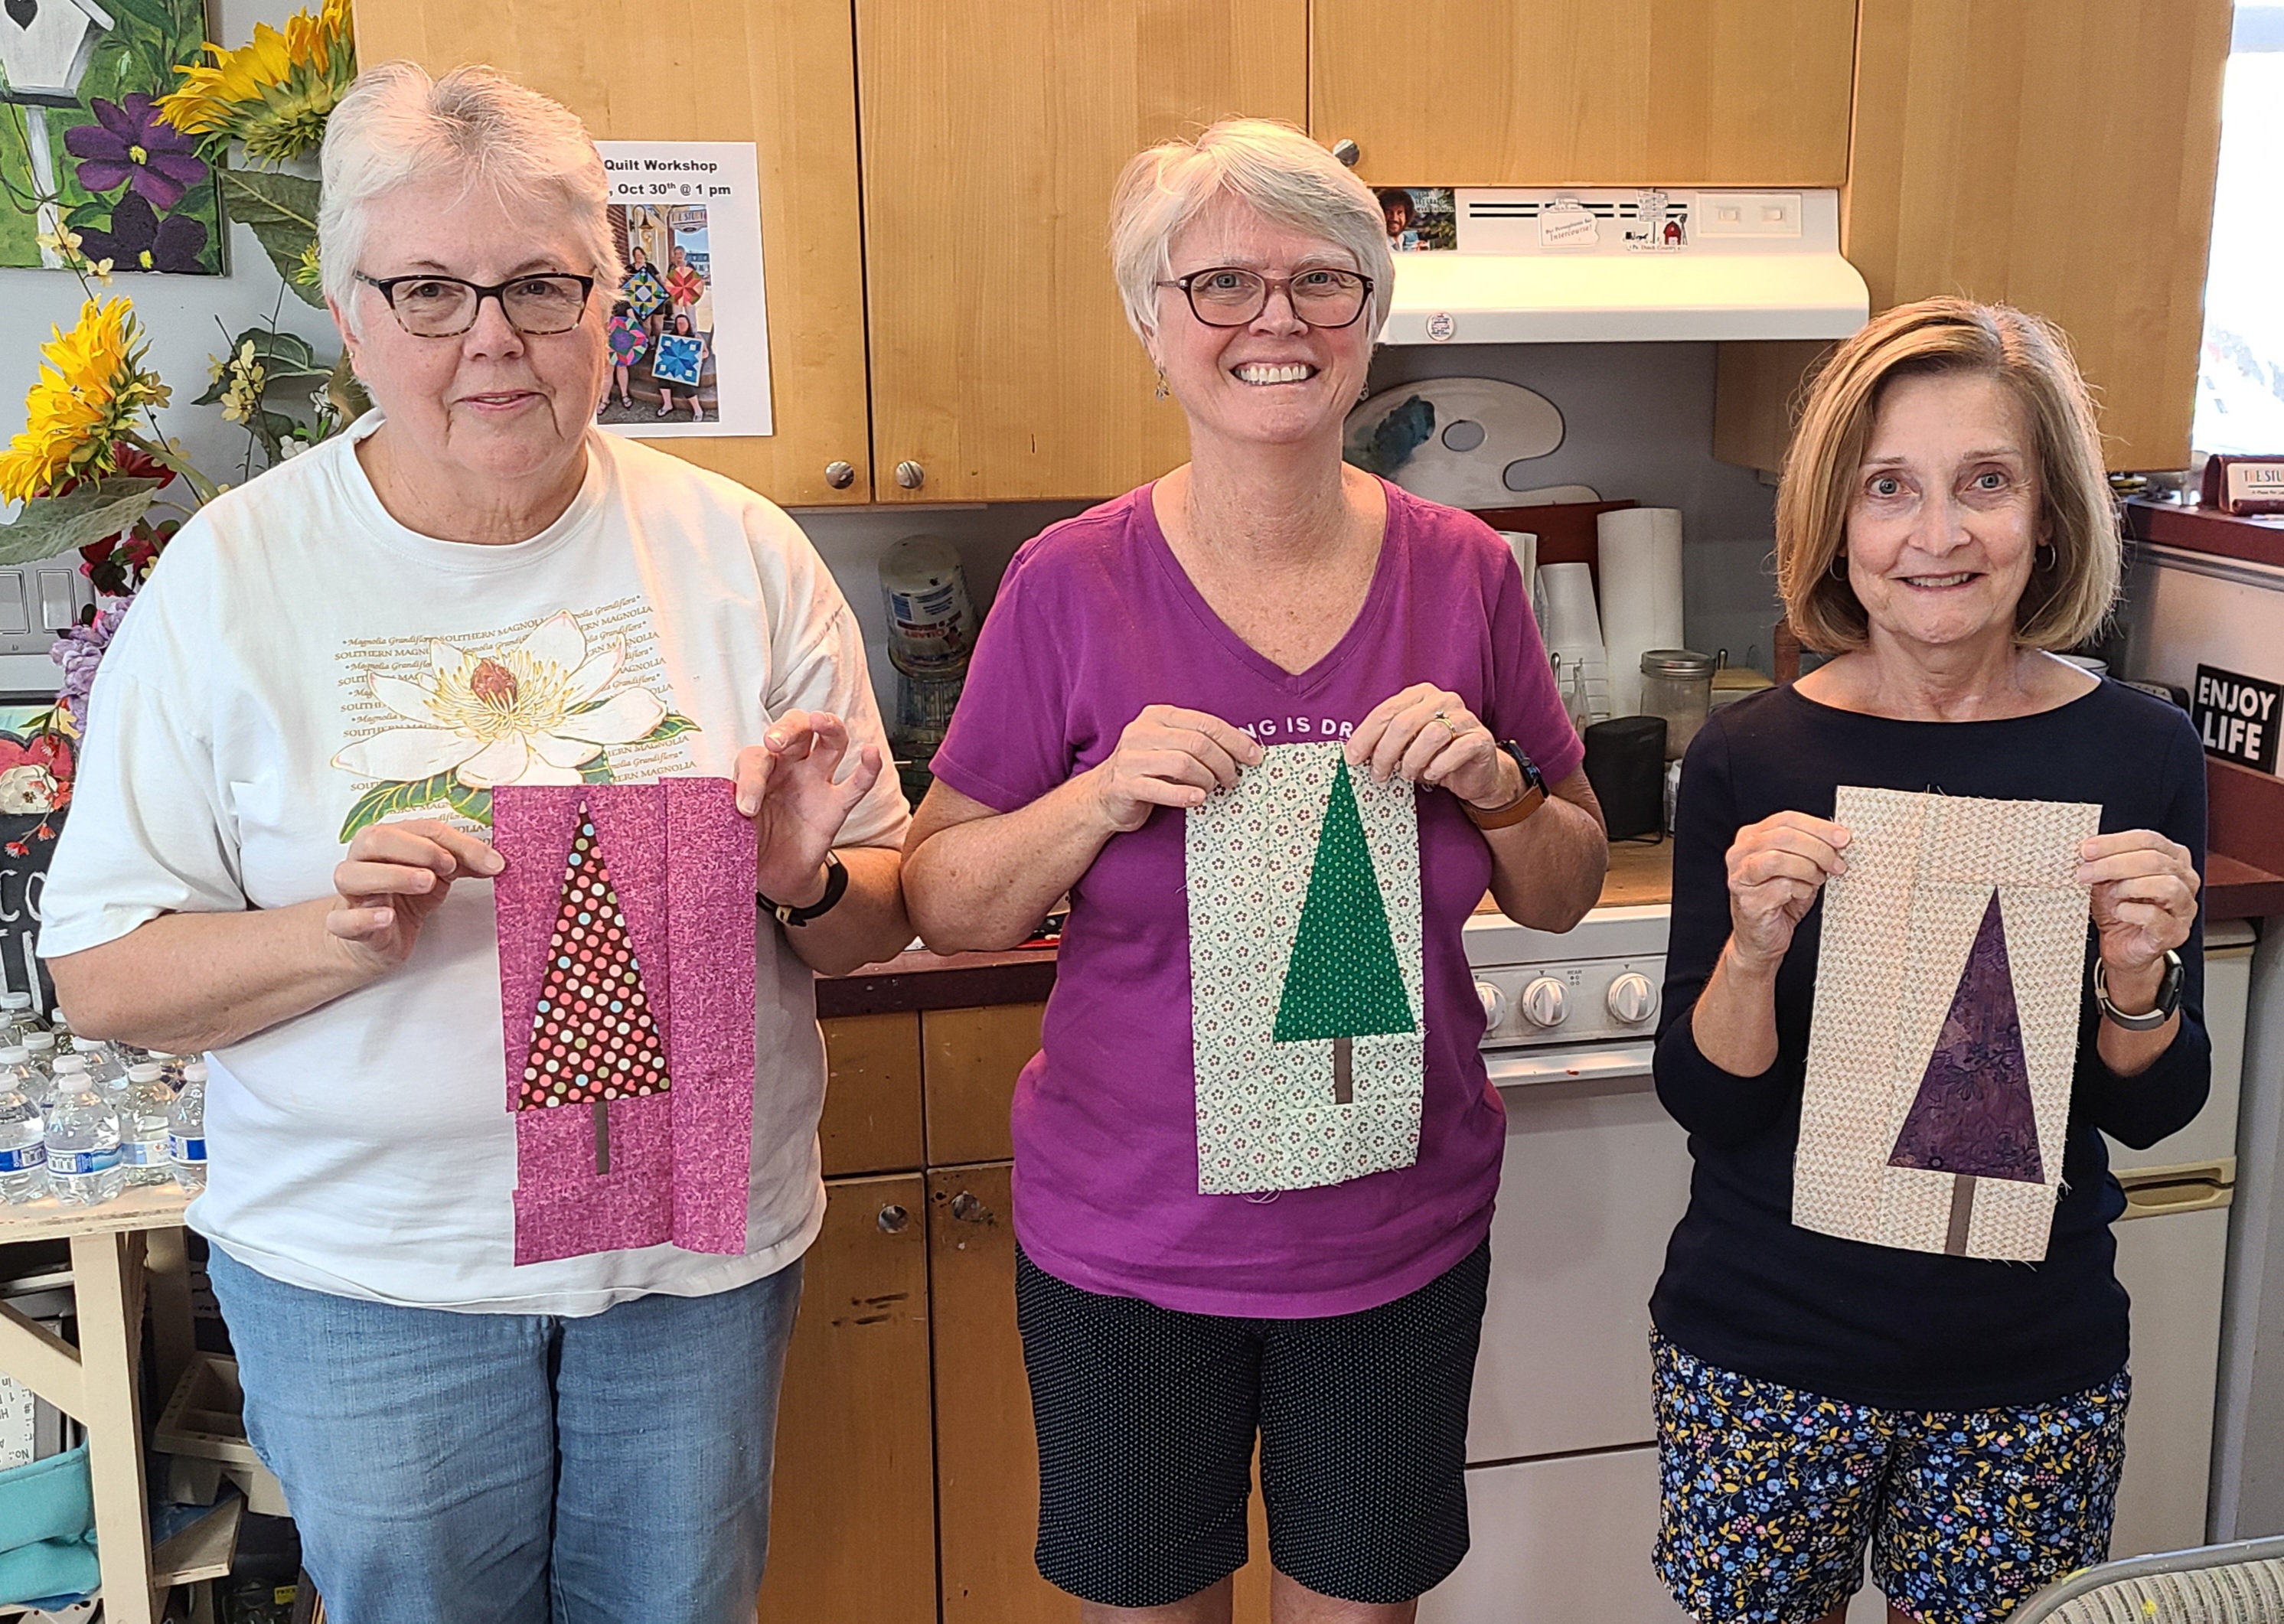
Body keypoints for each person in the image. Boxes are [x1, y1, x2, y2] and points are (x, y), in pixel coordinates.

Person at [38, 62, 912, 1624]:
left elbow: (876, 917)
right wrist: (331, 934)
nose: (491, 335)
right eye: (430, 290)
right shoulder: (231, 578)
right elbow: (104, 975)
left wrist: (803, 879)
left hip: (690, 1264)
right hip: (373, 1280)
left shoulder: (740, 555)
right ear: (349, 312)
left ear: (608, 301)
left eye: (538, 284)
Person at [901, 119, 1607, 1624]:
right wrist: (1093, 798)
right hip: (1129, 1245)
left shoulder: (1464, 573)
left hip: (1394, 1236)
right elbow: (943, 897)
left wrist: (1498, 783)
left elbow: (1561, 888)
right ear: (1150, 326)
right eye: (1219, 281)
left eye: (1320, 280)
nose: (1273, 319)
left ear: (1369, 317)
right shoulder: (1067, 583)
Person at [1649, 298, 2208, 1624]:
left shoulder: (2137, 750)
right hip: (1767, 1346)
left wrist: (2137, 978)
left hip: (2027, 1359)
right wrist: (1750, 950)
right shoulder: (1747, 757)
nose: (1937, 534)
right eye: (1888, 486)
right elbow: (1706, 1095)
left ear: (2049, 513)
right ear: (1836, 523)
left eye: (1986, 482)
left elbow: (2147, 1107)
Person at [654, 309, 708, 423]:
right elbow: (664, 351)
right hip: (673, 363)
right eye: (679, 323)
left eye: (684, 323)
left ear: (688, 324)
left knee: (684, 381)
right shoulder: (671, 337)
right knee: (662, 376)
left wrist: (697, 358)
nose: (681, 325)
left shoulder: (696, 336)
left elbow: (706, 352)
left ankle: (697, 409)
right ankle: (667, 405)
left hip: (689, 366)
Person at [604, 297, 646, 409]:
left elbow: (633, 322)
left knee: (622, 367)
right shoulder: (601, 302)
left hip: (624, 344)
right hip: (607, 342)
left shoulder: (624, 303)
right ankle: (604, 399)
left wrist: (640, 338)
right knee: (608, 370)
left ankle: (624, 395)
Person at [621, 241, 669, 338]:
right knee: (646, 325)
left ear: (644, 255)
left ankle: (658, 342)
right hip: (641, 301)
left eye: (641, 254)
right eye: (637, 255)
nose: (640, 257)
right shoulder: (630, 269)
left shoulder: (651, 267)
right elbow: (624, 283)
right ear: (634, 257)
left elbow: (659, 280)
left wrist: (665, 291)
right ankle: (647, 343)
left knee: (658, 324)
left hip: (656, 297)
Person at [1375, 186, 1420, 251]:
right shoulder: (1377, 245)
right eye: (1389, 212)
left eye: (1400, 213)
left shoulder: (1407, 241)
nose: (1395, 218)